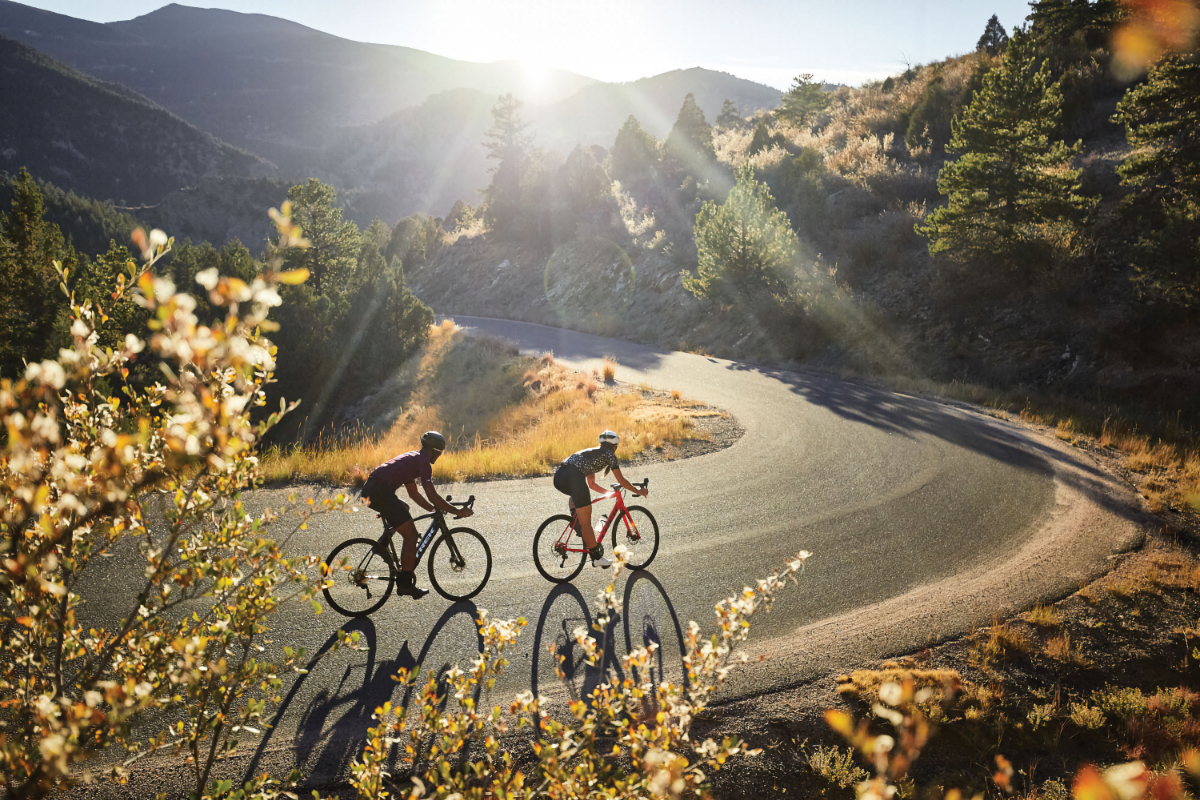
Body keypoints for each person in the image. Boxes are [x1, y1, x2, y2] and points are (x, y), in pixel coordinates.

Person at [359, 430, 473, 599]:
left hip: (371, 489)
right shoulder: (423, 463)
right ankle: (405, 584)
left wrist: (433, 509)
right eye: (440, 453)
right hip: (379, 492)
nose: (439, 456)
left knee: (403, 508)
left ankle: (382, 544)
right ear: (434, 450)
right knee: (411, 536)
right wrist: (456, 511)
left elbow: (413, 494)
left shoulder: (413, 459)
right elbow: (432, 494)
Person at [552, 430, 647, 568]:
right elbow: (621, 480)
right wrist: (638, 490)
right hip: (573, 477)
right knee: (586, 522)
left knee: (578, 499)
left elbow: (591, 484)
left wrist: (609, 493)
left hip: (560, 477)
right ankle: (596, 557)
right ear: (615, 446)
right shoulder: (609, 455)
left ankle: (577, 524)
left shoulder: (593, 454)